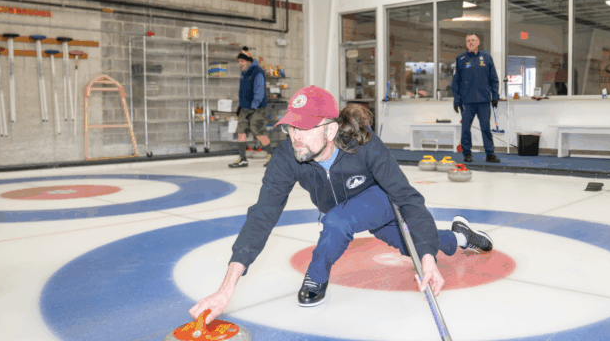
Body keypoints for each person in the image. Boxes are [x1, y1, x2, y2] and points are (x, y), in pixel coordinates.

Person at [191, 85, 494, 323]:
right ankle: (459, 236)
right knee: (408, 245)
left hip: (379, 198)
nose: (295, 137)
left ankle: (316, 277)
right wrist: (226, 287)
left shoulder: (364, 145)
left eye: (304, 129)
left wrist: (427, 260)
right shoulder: (288, 156)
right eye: (291, 128)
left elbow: (407, 198)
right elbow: (262, 216)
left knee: (337, 222)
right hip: (340, 206)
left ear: (331, 130)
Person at [452, 34, 501, 164]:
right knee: (465, 128)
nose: (470, 43)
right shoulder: (460, 59)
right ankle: (467, 153)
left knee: (485, 127)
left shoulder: (486, 58)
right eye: (468, 41)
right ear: (466, 44)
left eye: (473, 40)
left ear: (478, 42)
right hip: (467, 102)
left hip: (484, 100)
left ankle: (490, 154)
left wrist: (495, 96)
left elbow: (494, 79)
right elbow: (456, 81)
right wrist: (456, 100)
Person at [229, 53, 273, 168]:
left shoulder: (257, 72)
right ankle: (242, 158)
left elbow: (259, 91)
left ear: (248, 61)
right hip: (245, 108)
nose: (240, 64)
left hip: (257, 108)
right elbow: (243, 92)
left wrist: (254, 106)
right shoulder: (244, 73)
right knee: (241, 131)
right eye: (239, 62)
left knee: (258, 132)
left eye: (242, 61)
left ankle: (272, 157)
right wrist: (241, 106)